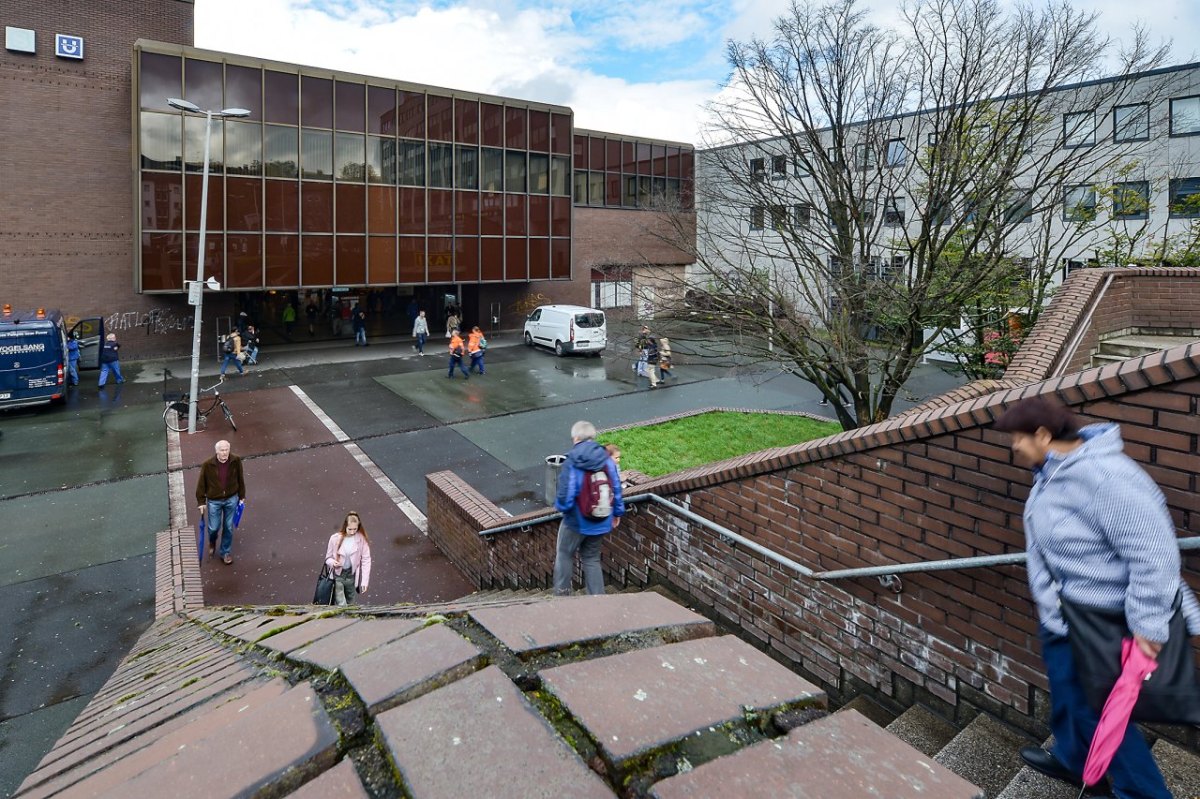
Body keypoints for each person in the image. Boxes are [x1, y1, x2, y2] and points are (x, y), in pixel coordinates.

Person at [994, 397, 1199, 799]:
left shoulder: (1106, 477)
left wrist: (1148, 625)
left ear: (1042, 434)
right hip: (1064, 615)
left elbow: (1154, 554)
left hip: (1104, 621)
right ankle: (1075, 761)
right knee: (1068, 696)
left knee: (1100, 715)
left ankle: (1142, 794)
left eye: (1018, 438)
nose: (1013, 447)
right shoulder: (1051, 472)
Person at [552, 421, 625, 596]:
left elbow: (566, 494)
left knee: (564, 554)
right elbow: (616, 487)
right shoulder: (607, 460)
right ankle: (597, 599)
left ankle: (562, 596)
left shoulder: (573, 460)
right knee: (591, 558)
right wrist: (617, 513)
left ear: (576, 438)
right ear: (592, 437)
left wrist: (562, 508)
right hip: (602, 518)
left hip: (576, 520)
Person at [195, 439, 246, 565]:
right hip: (214, 500)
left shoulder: (236, 460)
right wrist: (201, 501)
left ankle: (225, 552)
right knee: (213, 528)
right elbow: (201, 483)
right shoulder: (207, 464)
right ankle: (212, 541)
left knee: (228, 527)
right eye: (222, 450)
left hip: (231, 499)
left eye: (227, 450)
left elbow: (240, 478)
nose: (225, 453)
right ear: (217, 451)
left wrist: (242, 496)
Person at [324, 511, 372, 605]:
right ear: (345, 526)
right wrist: (333, 562)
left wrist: (364, 582)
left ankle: (347, 618)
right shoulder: (334, 538)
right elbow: (328, 558)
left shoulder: (361, 540)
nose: (352, 532)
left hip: (352, 576)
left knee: (351, 602)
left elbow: (366, 560)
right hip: (337, 575)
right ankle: (343, 618)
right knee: (341, 602)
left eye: (355, 529)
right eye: (350, 529)